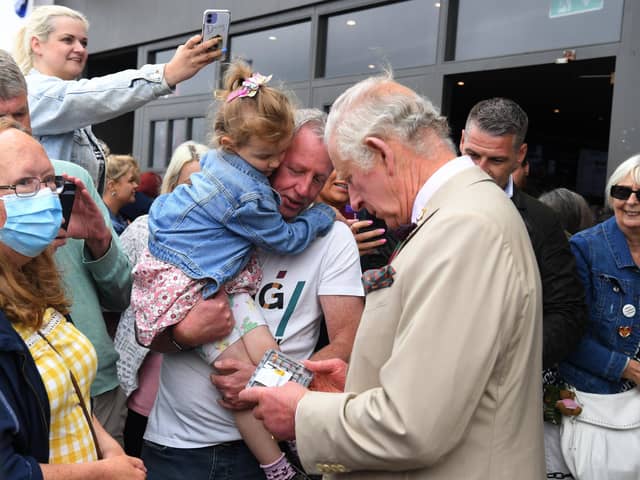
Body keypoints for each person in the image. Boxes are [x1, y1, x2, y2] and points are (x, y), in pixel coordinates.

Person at [240, 75, 544, 479]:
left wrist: (303, 412)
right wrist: (360, 380)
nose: (353, 201)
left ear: (380, 153)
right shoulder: (460, 215)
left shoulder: (464, 226)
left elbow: (414, 426)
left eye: (349, 179)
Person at [133, 63, 335, 480]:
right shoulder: (248, 196)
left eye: (320, 179)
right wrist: (322, 218)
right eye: (290, 167)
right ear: (233, 144)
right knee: (239, 387)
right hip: (196, 290)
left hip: (219, 285)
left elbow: (348, 339)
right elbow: (285, 238)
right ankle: (278, 465)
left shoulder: (220, 167)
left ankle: (295, 423)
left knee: (263, 359)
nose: (302, 187)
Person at [0, 47, 136, 446]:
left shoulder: (68, 180)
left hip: (93, 382)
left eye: (19, 113)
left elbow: (122, 293)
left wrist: (99, 240)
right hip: (26, 394)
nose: (12, 127)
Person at [459, 97, 587, 477]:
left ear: (520, 155)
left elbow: (568, 313)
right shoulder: (425, 205)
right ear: (462, 139)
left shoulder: (543, 222)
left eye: (495, 161)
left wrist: (508, 363)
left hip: (506, 398)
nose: (480, 170)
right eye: (472, 155)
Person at [13, 5, 221, 193]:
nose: (80, 49)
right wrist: (165, 74)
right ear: (36, 45)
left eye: (84, 42)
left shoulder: (68, 104)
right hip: (49, 231)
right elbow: (91, 96)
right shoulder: (31, 93)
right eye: (68, 39)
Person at [114, 141, 209, 457]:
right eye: (187, 186)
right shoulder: (143, 229)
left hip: (196, 404)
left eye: (206, 186)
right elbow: (113, 294)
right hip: (140, 389)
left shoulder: (226, 239)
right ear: (171, 187)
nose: (196, 196)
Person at [558, 154, 640, 478]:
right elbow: (566, 333)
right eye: (622, 193)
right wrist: (627, 368)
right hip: (597, 405)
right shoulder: (585, 248)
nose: (631, 202)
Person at [101, 154, 140, 235]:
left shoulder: (116, 219)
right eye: (131, 181)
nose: (136, 185)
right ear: (111, 186)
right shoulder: (105, 225)